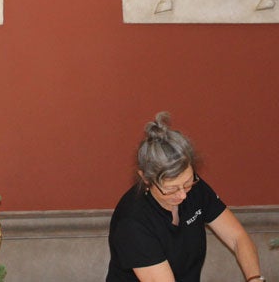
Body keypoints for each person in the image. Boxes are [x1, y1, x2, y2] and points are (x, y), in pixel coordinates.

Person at [107, 112, 264, 282]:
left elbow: (237, 238)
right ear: (146, 178)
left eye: (188, 182)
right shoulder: (132, 222)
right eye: (171, 189)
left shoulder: (194, 190)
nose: (182, 194)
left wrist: (254, 278)